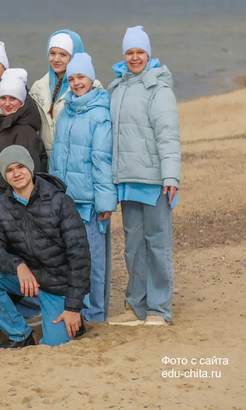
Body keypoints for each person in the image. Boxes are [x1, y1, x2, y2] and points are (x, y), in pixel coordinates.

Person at [0, 146, 91, 347]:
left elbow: (79, 256)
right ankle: (20, 334)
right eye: (9, 170)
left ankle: (73, 318)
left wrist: (73, 307)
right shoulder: (0, 206)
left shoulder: (60, 201)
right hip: (26, 279)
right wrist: (17, 265)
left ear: (30, 167)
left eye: (20, 167)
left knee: (55, 344)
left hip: (57, 284)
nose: (16, 173)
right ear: (4, 175)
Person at [107, 26, 180, 327]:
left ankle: (158, 309)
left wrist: (171, 177)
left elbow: (168, 136)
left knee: (157, 244)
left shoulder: (159, 89)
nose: (134, 57)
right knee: (133, 247)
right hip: (127, 180)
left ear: (148, 54)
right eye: (129, 52)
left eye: (140, 52)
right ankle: (136, 306)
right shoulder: (117, 88)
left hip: (154, 181)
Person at [49, 53, 115, 323]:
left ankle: (94, 313)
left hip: (89, 201)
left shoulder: (100, 113)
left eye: (81, 77)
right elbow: (56, 156)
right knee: (72, 258)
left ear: (91, 78)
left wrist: (105, 201)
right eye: (72, 78)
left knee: (93, 259)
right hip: (66, 200)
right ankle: (77, 308)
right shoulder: (66, 110)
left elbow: (102, 159)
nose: (76, 83)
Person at [0, 69, 47, 193]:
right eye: (3, 98)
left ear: (22, 102)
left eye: (13, 98)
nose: (7, 104)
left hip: (8, 197)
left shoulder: (25, 133)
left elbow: (28, 178)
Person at [30, 31, 103, 152]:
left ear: (73, 56)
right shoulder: (38, 87)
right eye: (52, 53)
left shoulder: (91, 87)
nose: (56, 59)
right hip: (46, 159)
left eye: (63, 55)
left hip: (77, 157)